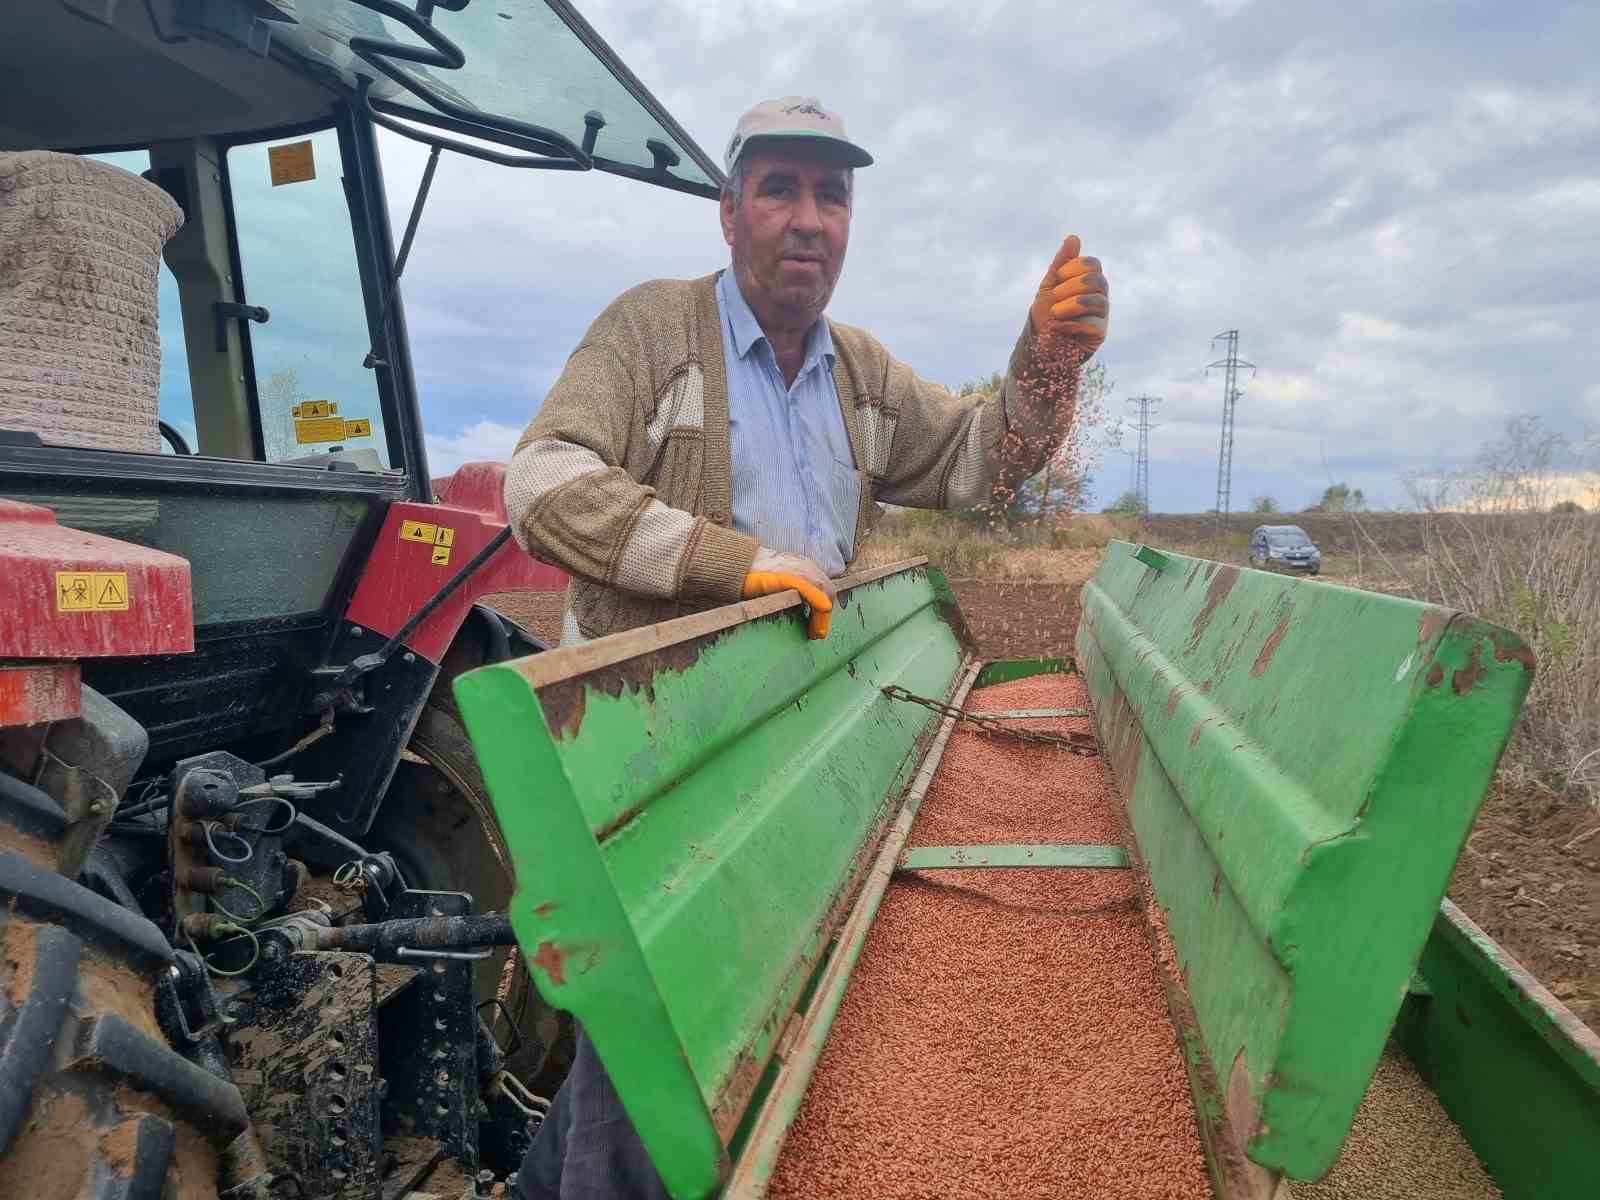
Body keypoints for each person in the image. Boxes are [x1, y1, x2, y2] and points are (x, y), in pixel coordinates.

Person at [504, 96, 1109, 1199]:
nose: (807, 218)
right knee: (660, 1038)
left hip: (789, 739)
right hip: (651, 754)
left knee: (721, 1035)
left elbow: (983, 461)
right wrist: (725, 562)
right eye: (778, 188)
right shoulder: (653, 332)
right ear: (728, 213)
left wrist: (1047, 362)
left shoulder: (860, 375)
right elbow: (542, 479)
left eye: (831, 196)